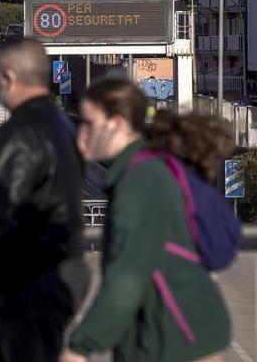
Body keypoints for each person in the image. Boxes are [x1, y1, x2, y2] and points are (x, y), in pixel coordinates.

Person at [60, 78, 232, 362]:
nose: (80, 135)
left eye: (88, 124)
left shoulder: (140, 183)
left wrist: (80, 346)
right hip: (170, 335)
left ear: (115, 124)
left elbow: (128, 278)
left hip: (178, 342)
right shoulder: (142, 169)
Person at [0, 38, 90, 362]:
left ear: (9, 77)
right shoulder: (63, 126)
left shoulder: (19, 134)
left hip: (28, 284)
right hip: (58, 277)